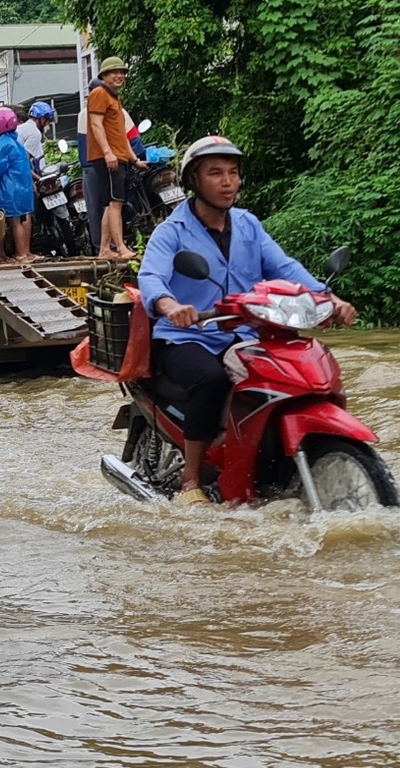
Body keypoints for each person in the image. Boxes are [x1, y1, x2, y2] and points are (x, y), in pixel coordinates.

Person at [137, 136, 358, 505]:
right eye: (215, 173)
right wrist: (170, 305)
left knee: (297, 367)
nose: (227, 182)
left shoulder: (249, 225)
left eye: (233, 173)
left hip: (247, 332)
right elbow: (151, 278)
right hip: (189, 336)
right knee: (210, 379)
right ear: (194, 181)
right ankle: (190, 481)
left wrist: (327, 298)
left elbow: (285, 267)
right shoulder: (171, 232)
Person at [86, 58, 145, 261]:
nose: (119, 76)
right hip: (108, 158)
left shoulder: (114, 99)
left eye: (122, 72)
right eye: (114, 72)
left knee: (111, 203)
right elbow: (96, 125)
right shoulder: (99, 94)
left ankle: (104, 248)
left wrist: (134, 159)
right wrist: (107, 152)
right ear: (103, 76)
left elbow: (120, 133)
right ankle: (120, 247)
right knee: (115, 203)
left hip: (118, 156)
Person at [0, 106, 36, 264]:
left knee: (5, 223)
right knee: (20, 220)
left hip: (7, 189)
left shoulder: (1, 144)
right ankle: (24, 253)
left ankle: (15, 255)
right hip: (21, 187)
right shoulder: (15, 140)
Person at [17, 100, 53, 168]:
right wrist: (39, 178)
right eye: (48, 122)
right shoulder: (35, 133)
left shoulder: (21, 128)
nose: (48, 125)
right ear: (42, 119)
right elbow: (24, 162)